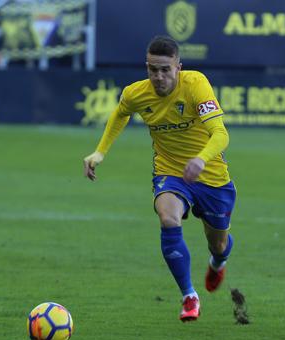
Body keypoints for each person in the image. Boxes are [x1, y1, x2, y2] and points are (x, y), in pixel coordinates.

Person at [83, 35, 235, 322]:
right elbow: (120, 114)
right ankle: (189, 296)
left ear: (179, 66)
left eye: (166, 69)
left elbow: (221, 134)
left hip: (211, 175)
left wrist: (201, 159)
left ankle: (219, 260)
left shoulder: (196, 85)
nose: (159, 76)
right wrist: (100, 152)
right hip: (169, 172)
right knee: (167, 217)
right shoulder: (136, 93)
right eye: (153, 70)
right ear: (147, 67)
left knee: (218, 243)